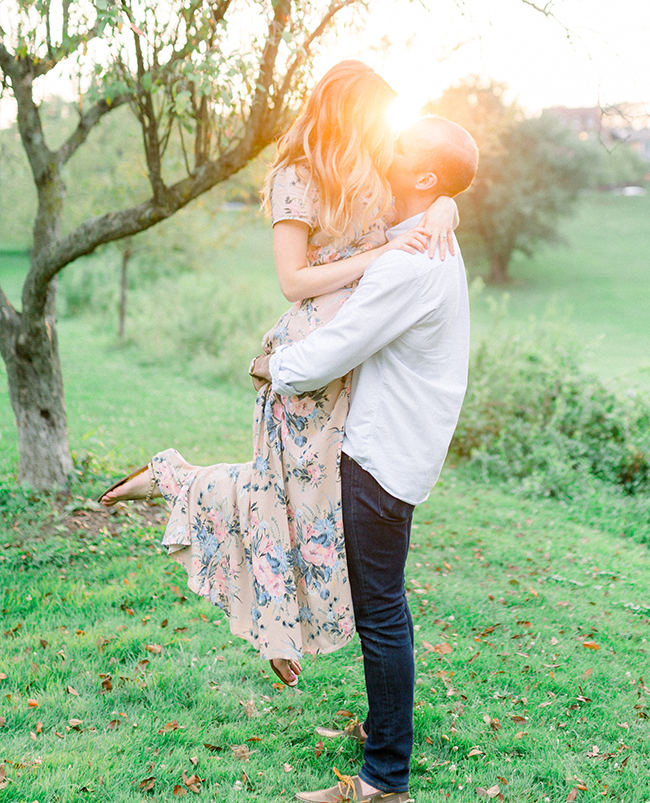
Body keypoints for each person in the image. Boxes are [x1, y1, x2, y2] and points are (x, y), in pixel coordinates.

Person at [98, 61, 459, 690]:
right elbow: (293, 282)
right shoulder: (296, 178)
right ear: (350, 113)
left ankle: (172, 478)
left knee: (311, 511)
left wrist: (446, 207)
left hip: (352, 362)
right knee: (282, 499)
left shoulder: (373, 171)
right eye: (379, 120)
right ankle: (275, 627)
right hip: (311, 354)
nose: (387, 135)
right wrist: (375, 257)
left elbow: (431, 191)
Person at [251, 115, 479, 803]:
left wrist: (271, 366)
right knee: (385, 608)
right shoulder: (423, 238)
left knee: (381, 612)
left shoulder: (413, 262)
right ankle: (386, 759)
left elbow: (333, 350)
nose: (388, 143)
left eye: (403, 144)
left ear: (424, 177)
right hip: (398, 449)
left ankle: (384, 780)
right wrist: (448, 203)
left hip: (380, 455)